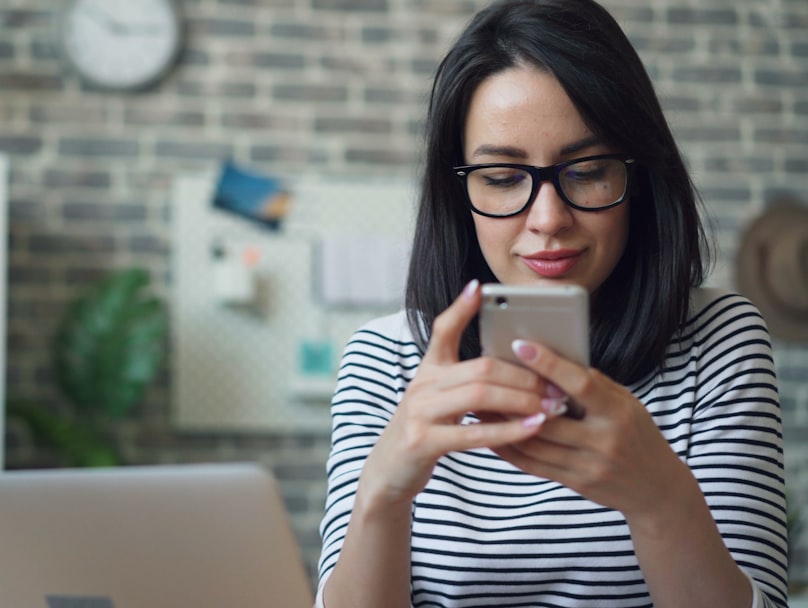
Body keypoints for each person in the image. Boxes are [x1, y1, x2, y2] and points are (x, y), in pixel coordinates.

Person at [315, 1, 787, 607]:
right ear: (457, 194)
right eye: (503, 178)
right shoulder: (382, 358)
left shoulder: (717, 340)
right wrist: (383, 494)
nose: (548, 220)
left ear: (640, 179)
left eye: (587, 171)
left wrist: (659, 497)